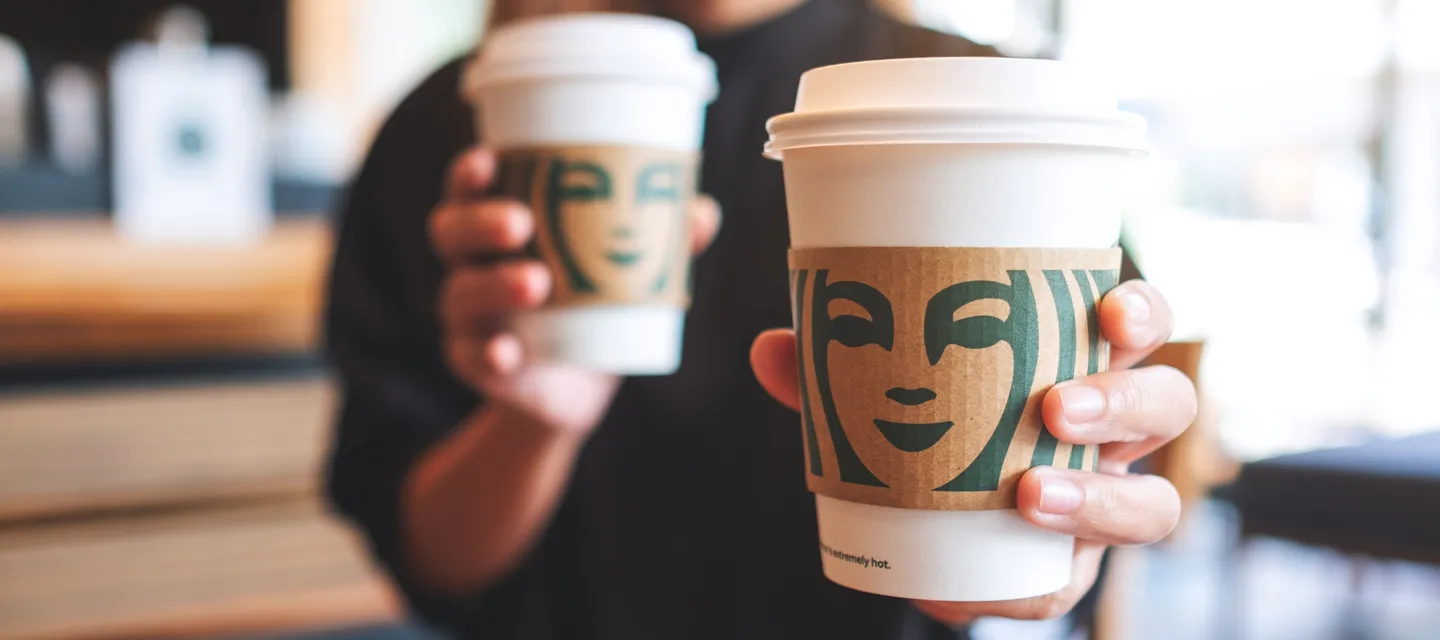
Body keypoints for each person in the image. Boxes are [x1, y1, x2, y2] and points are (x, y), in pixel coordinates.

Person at [324, 0, 1198, 638]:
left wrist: (1059, 532)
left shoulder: (1000, 105)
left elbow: (1104, 462)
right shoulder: (455, 126)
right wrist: (529, 419)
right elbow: (428, 566)